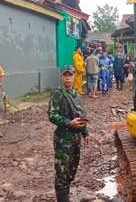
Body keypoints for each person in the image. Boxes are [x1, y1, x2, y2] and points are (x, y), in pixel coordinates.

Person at [48, 65, 89, 202]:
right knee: (62, 172)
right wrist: (68, 123)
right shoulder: (58, 93)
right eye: (65, 75)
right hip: (63, 139)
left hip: (75, 139)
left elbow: (81, 114)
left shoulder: (76, 94)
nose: (67, 78)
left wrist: (85, 133)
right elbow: (52, 115)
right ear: (61, 77)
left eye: (70, 75)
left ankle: (66, 197)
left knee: (71, 170)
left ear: (74, 76)